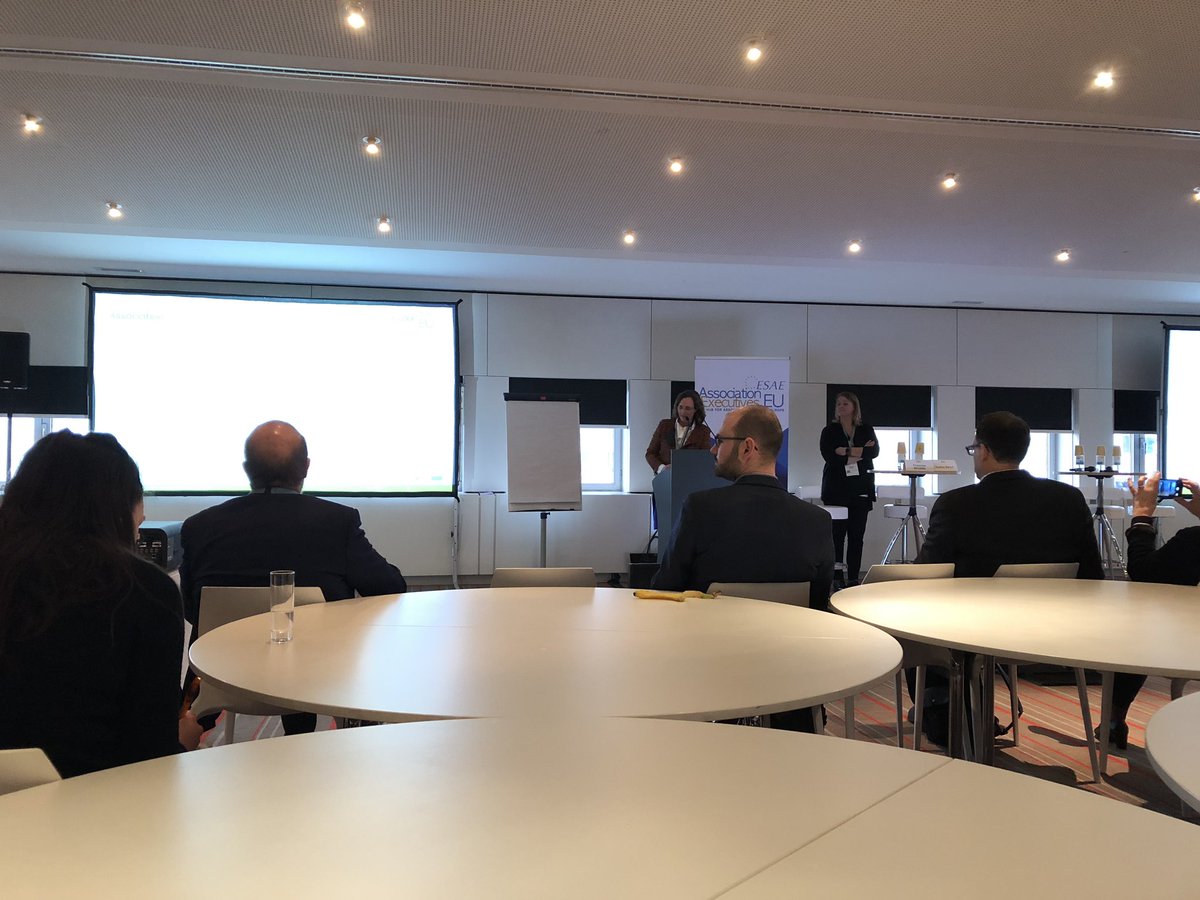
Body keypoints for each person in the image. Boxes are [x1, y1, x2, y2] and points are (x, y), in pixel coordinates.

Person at [181, 420, 407, 734]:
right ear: (306, 467)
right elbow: (390, 587)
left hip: (222, 676)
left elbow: (192, 610)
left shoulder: (199, 527)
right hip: (320, 680)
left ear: (246, 469)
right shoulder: (336, 522)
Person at [0, 432, 201, 777]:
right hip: (94, 797)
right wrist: (182, 740)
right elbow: (150, 754)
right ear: (120, 511)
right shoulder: (147, 592)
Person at [912, 411, 1103, 745]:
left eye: (974, 449)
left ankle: (946, 713)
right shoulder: (1068, 500)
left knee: (914, 625)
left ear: (984, 450)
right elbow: (1093, 576)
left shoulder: (956, 504)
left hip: (974, 633)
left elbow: (927, 572)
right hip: (1059, 630)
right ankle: (962, 713)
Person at [651, 403, 834, 732]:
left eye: (720, 441)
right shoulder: (816, 521)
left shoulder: (701, 509)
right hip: (792, 694)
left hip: (705, 688)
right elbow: (818, 609)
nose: (713, 449)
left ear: (748, 447)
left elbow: (665, 591)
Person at [1106, 472, 1200, 748]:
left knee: (1139, 629)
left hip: (1186, 644)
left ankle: (1114, 720)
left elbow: (1144, 574)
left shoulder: (1192, 541)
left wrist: (1142, 516)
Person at [819, 391, 878, 585]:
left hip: (861, 489)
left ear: (854, 407)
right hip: (836, 490)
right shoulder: (829, 431)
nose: (841, 407)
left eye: (845, 403)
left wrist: (845, 451)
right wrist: (859, 453)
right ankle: (837, 578)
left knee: (856, 537)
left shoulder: (865, 429)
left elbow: (874, 452)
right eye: (838, 404)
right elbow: (829, 456)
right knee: (837, 537)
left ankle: (853, 578)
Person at [645, 389, 714, 473]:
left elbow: (705, 459)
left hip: (690, 476)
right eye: (680, 407)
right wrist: (662, 468)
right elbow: (650, 453)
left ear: (695, 410)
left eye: (688, 408)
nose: (683, 412)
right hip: (665, 476)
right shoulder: (664, 425)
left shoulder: (703, 431)